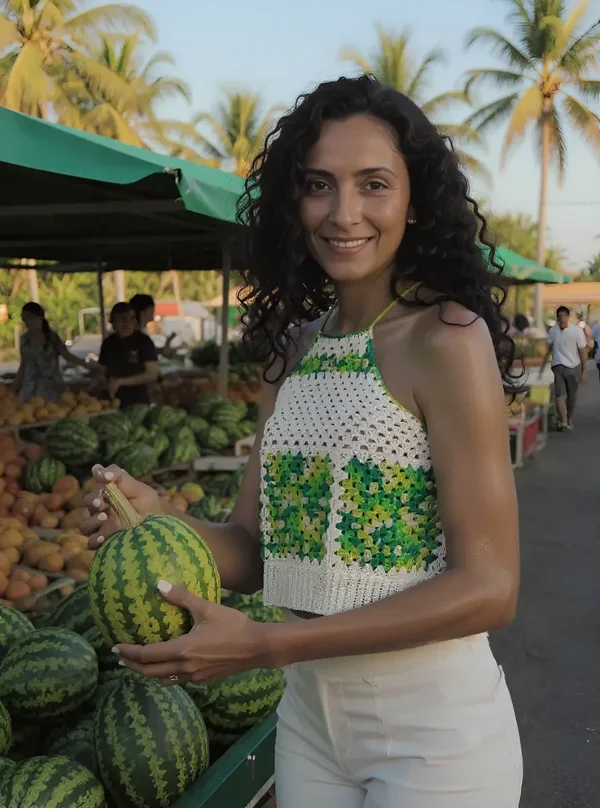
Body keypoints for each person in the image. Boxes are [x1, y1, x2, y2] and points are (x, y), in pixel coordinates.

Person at [81, 76, 522, 807]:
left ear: (414, 201)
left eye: (373, 184)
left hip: (435, 732)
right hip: (310, 722)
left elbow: (491, 586)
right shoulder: (293, 353)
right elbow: (256, 554)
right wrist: (156, 516)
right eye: (320, 185)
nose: (344, 213)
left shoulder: (447, 337)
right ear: (295, 201)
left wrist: (270, 647)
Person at [12, 302, 97, 402]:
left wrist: (85, 364)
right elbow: (24, 364)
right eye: (23, 318)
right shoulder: (24, 339)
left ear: (39, 317)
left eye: (28, 317)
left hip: (51, 387)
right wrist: (15, 385)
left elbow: (67, 356)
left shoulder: (52, 338)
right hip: (29, 388)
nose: (25, 321)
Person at [98, 302, 159, 408]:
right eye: (122, 319)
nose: (127, 323)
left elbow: (152, 374)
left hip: (138, 401)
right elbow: (101, 370)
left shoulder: (144, 341)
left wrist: (121, 382)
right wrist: (100, 380)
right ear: (113, 322)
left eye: (131, 318)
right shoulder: (108, 343)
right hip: (111, 401)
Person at [541, 305, 587, 430]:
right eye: (559, 316)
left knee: (572, 396)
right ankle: (565, 422)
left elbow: (582, 351)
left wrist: (584, 370)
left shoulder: (576, 331)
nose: (562, 319)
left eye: (564, 316)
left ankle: (569, 417)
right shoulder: (553, 331)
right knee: (559, 395)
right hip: (558, 366)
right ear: (557, 318)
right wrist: (542, 366)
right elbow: (548, 349)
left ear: (568, 317)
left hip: (574, 366)